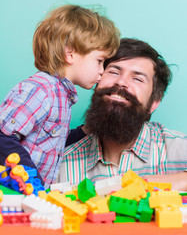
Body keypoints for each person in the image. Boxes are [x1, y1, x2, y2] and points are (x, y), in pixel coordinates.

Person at [0, 4, 120, 188]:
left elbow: (49, 143)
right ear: (70, 54)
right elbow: (3, 136)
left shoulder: (62, 97)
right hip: (15, 191)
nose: (102, 71)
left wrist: (86, 131)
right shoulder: (41, 90)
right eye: (100, 61)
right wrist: (31, 181)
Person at [58, 38, 187, 191]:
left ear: (154, 103)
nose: (121, 82)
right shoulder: (61, 166)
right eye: (113, 72)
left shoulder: (178, 148)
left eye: (138, 78)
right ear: (97, 81)